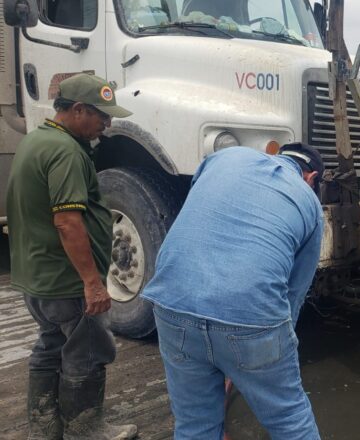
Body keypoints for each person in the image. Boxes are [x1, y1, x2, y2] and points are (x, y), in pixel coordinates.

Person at [141, 143, 325, 439]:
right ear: (311, 177)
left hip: (171, 304)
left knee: (194, 424)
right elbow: (294, 295)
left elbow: (202, 212)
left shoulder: (225, 158)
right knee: (289, 417)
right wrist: (255, 354)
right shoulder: (310, 203)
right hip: (251, 319)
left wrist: (216, 350)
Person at [5, 73, 137, 439]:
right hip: (68, 282)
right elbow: (67, 221)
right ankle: (86, 429)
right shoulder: (66, 152)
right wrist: (93, 284)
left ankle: (45, 428)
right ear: (78, 110)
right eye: (101, 116)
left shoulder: (36, 141)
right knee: (87, 351)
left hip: (38, 279)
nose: (106, 126)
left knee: (51, 346)